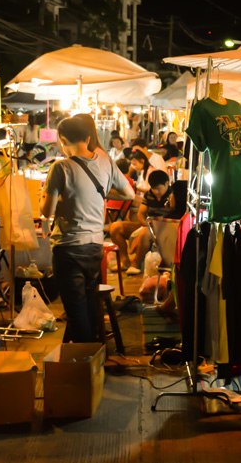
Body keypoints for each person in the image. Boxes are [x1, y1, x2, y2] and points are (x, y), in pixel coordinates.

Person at [41, 116, 134, 343]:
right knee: (91, 303)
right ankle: (94, 359)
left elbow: (47, 212)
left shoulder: (60, 167)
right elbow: (129, 195)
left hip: (69, 247)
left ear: (63, 140)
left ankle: (86, 360)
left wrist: (58, 199)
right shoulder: (105, 161)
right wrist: (99, 193)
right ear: (89, 137)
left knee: (76, 309)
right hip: (95, 246)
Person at [127, 170, 175, 275]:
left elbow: (174, 213)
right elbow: (140, 214)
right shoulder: (149, 194)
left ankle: (135, 263)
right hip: (149, 224)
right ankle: (127, 262)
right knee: (117, 227)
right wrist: (147, 225)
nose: (155, 191)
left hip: (166, 227)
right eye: (153, 188)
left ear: (167, 184)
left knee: (145, 234)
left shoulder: (173, 194)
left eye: (158, 188)